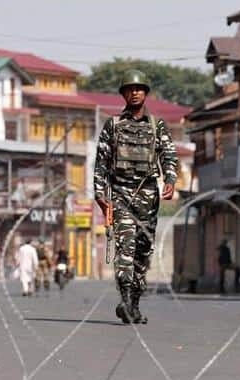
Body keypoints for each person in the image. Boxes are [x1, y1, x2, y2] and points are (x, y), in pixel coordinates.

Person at [93, 69, 178, 324]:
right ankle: (126, 299)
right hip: (120, 195)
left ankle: (135, 303)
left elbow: (169, 155)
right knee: (126, 248)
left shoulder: (156, 125)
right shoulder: (113, 125)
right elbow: (101, 163)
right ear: (123, 94)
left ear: (146, 93)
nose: (134, 93)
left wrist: (171, 180)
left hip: (148, 196)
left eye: (139, 89)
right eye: (129, 89)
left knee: (143, 251)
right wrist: (100, 195)